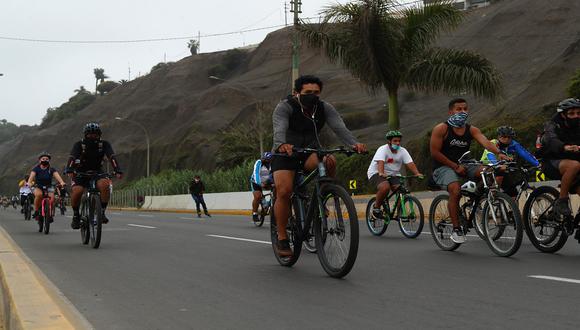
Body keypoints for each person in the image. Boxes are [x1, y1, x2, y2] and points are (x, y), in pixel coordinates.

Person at [271, 75, 367, 257]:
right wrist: (281, 144)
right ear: (296, 93)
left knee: (329, 160)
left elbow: (340, 127)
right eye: (308, 92)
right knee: (284, 191)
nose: (313, 96)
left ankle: (323, 195)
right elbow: (279, 128)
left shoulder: (324, 108)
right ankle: (282, 236)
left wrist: (354, 144)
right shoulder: (284, 107)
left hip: (309, 150)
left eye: (316, 93)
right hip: (285, 152)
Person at [430, 98, 509, 244]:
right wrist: (454, 166)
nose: (462, 112)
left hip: (466, 164)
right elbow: (435, 153)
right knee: (455, 190)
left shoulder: (471, 129)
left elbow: (485, 142)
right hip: (443, 167)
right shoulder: (441, 129)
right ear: (450, 111)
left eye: (465, 109)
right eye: (458, 109)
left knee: (489, 171)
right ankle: (456, 229)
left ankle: (474, 201)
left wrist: (499, 153)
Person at [66, 123, 122, 229]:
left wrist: (117, 169)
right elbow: (72, 157)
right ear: (85, 135)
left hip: (97, 172)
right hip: (80, 173)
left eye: (95, 135)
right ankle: (76, 215)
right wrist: (69, 168)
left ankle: (102, 212)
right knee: (77, 191)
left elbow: (112, 157)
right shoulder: (79, 144)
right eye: (90, 135)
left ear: (99, 135)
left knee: (105, 185)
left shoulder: (104, 144)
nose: (93, 137)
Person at [540, 98, 580, 227]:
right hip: (551, 163)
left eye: (578, 113)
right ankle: (562, 201)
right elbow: (550, 139)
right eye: (572, 113)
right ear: (563, 114)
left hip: (574, 164)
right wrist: (564, 147)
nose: (576, 116)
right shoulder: (552, 125)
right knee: (574, 165)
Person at [367, 130, 423, 219]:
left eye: (399, 141)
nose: (398, 143)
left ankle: (400, 214)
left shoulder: (402, 151)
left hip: (393, 174)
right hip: (376, 172)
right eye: (395, 141)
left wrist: (417, 173)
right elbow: (380, 162)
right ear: (389, 141)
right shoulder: (382, 149)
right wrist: (381, 173)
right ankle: (376, 208)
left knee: (401, 190)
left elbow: (410, 163)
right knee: (385, 187)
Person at [481, 126, 539, 196]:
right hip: (487, 167)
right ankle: (494, 197)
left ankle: (511, 205)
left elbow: (525, 154)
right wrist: (497, 165)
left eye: (509, 137)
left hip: (503, 169)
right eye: (504, 137)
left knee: (513, 194)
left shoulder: (513, 144)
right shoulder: (493, 142)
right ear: (499, 136)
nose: (507, 139)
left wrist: (537, 164)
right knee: (500, 175)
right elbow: (490, 155)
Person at [27, 152, 67, 221]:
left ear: (49, 161)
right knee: (39, 195)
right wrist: (29, 183)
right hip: (38, 186)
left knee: (52, 199)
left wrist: (62, 182)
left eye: (47, 159)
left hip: (49, 186)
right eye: (43, 159)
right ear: (40, 160)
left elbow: (57, 176)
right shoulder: (36, 169)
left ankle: (50, 214)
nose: (45, 160)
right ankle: (36, 211)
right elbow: (31, 177)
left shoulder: (51, 169)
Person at [250, 152, 274, 222]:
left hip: (268, 182)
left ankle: (268, 205)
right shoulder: (258, 162)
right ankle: (255, 213)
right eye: (265, 160)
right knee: (257, 196)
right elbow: (256, 173)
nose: (266, 162)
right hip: (256, 182)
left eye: (268, 161)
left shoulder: (273, 164)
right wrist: (260, 183)